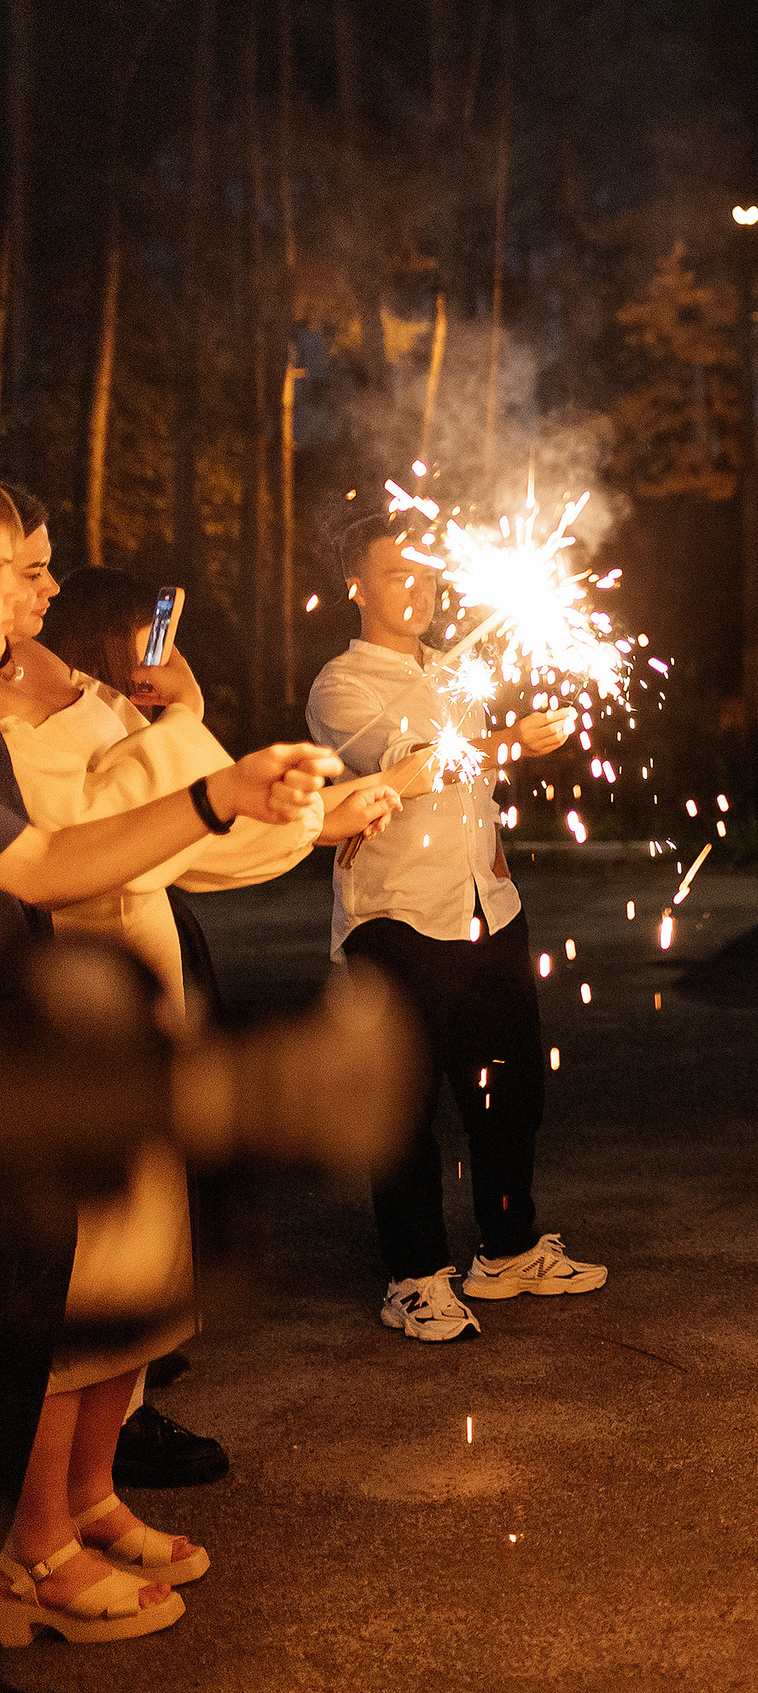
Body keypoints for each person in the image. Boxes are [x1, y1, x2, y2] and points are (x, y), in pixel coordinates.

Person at [0, 517, 347, 1647]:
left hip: (141, 1005)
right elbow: (82, 841)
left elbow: (186, 841)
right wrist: (189, 732)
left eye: (48, 566)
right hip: (63, 1021)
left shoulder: (73, 691)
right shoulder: (28, 715)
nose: (46, 586)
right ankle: (35, 1535)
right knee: (72, 1300)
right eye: (26, 565)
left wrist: (315, 815)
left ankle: (92, 1495)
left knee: (144, 1277)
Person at [306, 517, 600, 1344]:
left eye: (429, 573)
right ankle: (413, 1274)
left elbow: (469, 790)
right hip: (395, 915)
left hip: (487, 908)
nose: (420, 588)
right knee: (401, 1103)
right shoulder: (341, 684)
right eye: (397, 573)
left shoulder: (455, 672)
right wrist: (507, 741)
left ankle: (507, 1249)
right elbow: (416, 766)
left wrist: (495, 843)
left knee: (511, 1092)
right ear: (356, 585)